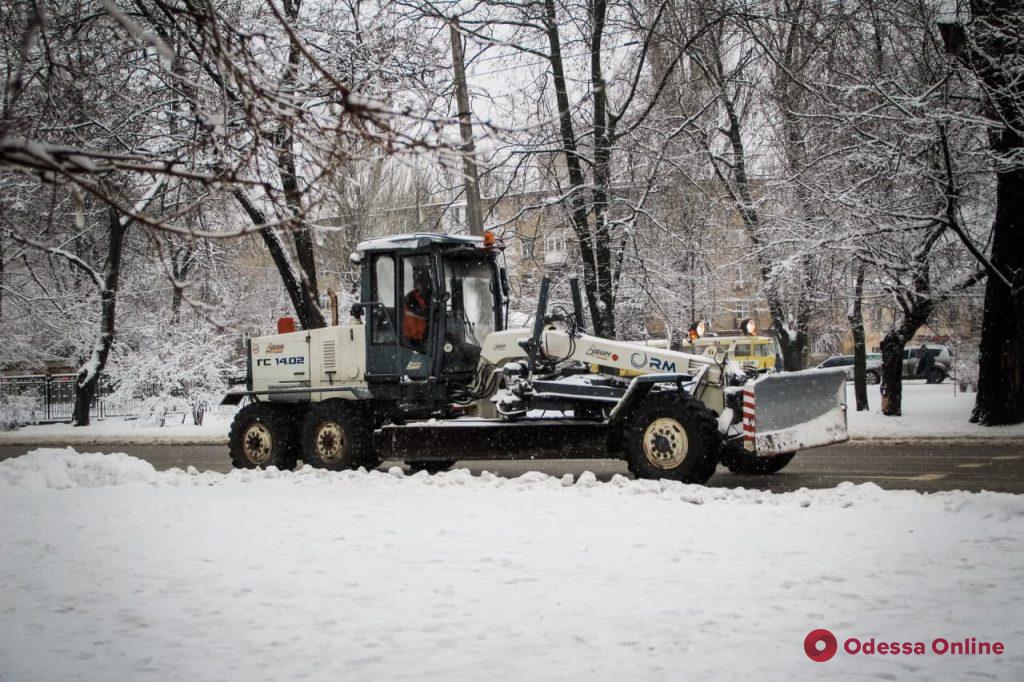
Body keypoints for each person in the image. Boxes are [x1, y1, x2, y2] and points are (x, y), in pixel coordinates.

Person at [402, 267, 431, 348]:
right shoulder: (410, 298)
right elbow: (421, 313)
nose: (424, 287)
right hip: (412, 340)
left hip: (423, 338)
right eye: (421, 283)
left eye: (426, 284)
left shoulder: (427, 298)